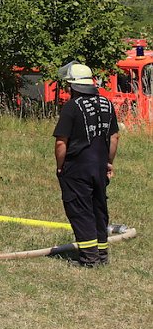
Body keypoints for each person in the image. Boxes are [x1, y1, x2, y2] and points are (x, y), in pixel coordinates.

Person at [53, 62, 119, 267]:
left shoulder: (72, 107)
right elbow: (114, 137)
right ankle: (101, 255)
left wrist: (60, 166)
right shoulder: (107, 104)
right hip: (99, 166)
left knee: (80, 210)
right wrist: (108, 163)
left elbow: (61, 142)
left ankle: (89, 258)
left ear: (72, 86)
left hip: (77, 167)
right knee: (99, 208)